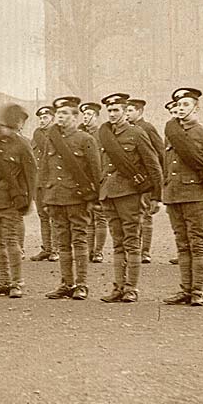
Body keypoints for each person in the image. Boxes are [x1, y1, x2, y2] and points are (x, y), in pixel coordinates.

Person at [161, 88, 203, 307]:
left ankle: (197, 290)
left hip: (196, 196)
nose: (181, 109)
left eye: (186, 105)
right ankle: (185, 290)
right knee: (182, 245)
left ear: (197, 108)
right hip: (173, 196)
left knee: (196, 244)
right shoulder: (170, 132)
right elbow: (166, 164)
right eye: (178, 106)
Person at [96, 93, 162, 303]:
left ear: (126, 112)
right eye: (110, 111)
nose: (113, 114)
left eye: (117, 110)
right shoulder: (104, 133)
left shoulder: (137, 133)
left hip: (129, 194)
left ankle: (131, 288)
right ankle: (118, 287)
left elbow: (153, 165)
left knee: (132, 242)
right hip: (108, 194)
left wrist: (156, 196)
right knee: (117, 243)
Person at [40, 96, 102, 300]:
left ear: (76, 117)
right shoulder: (51, 138)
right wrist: (46, 197)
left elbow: (95, 171)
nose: (61, 118)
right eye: (58, 114)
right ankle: (66, 283)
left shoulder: (86, 139)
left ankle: (81, 284)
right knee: (63, 242)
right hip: (56, 197)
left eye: (65, 114)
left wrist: (94, 199)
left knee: (80, 240)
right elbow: (45, 169)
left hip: (77, 198)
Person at [0, 104, 36, 298]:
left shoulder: (22, 144)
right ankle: (3, 281)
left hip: (9, 201)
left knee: (11, 241)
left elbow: (30, 175)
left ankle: (17, 283)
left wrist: (27, 202)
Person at [125, 98, 164, 264]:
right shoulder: (124, 129)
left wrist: (157, 179)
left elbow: (160, 153)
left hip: (146, 180)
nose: (127, 114)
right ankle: (134, 250)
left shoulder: (147, 128)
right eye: (125, 111)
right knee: (132, 217)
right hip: (132, 181)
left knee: (146, 216)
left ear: (139, 112)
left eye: (130, 111)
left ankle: (145, 251)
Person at [78, 101, 109, 264]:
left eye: (89, 114)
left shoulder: (102, 135)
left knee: (100, 216)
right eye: (84, 114)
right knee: (87, 217)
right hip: (84, 180)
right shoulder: (80, 134)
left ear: (96, 117)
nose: (86, 117)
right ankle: (89, 250)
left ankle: (99, 251)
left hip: (100, 178)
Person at [29, 105, 59, 262]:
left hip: (52, 182)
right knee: (42, 216)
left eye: (45, 117)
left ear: (53, 119)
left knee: (54, 215)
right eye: (40, 118)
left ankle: (56, 249)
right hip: (38, 182)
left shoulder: (57, 135)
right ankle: (46, 248)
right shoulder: (36, 137)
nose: (42, 120)